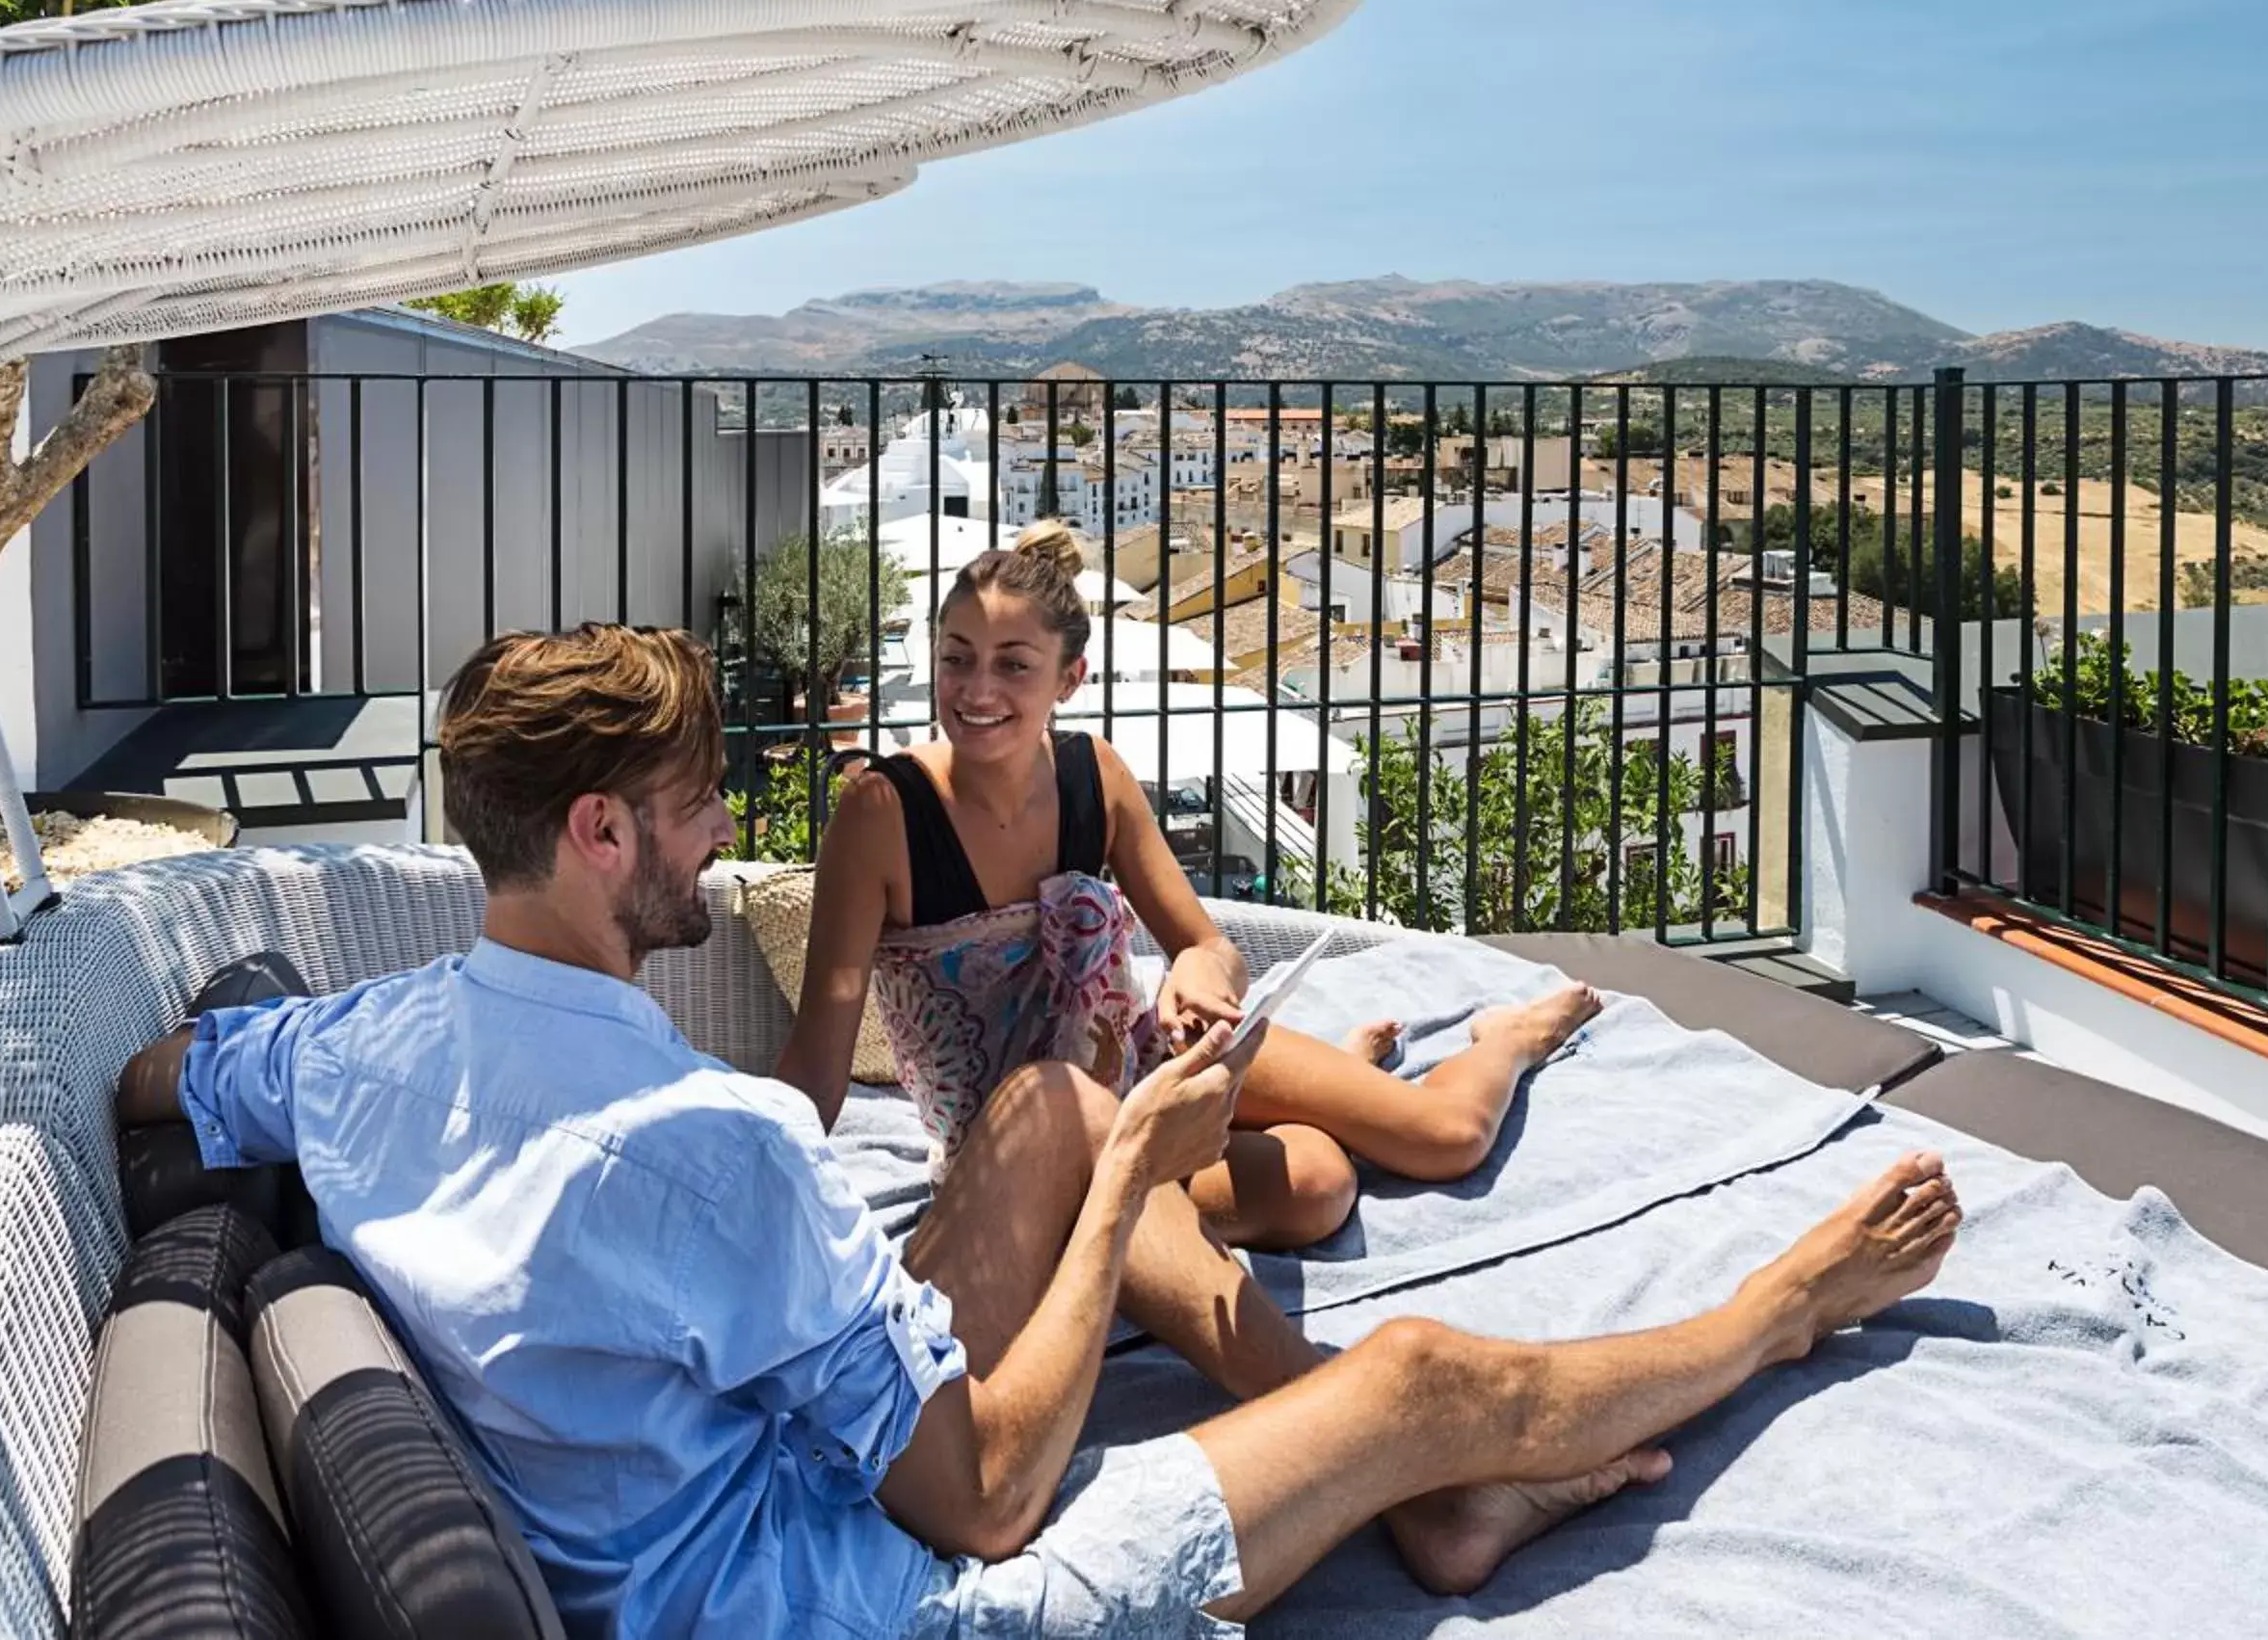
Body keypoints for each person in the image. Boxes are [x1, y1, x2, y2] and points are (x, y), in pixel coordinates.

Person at [117, 622, 1960, 1640]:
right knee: (1408, 1368)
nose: (716, 831)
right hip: (877, 1595)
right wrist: (1144, 1178)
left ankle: (1410, 1448)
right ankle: (1778, 1310)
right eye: (690, 808)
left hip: (719, 1449)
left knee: (1031, 1111)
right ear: (599, 831)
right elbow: (987, 1494)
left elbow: (154, 1073)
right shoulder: (695, 1137)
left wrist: (1094, 1144)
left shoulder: (350, 1052)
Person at [778, 520, 1603, 1249]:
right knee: (1316, 1184)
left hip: (1152, 1061)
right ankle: (1319, 1094)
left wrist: (1195, 979)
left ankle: (1510, 1040)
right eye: (958, 660)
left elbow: (1206, 944)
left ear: (1069, 680)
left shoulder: (1092, 777)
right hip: (1031, 1158)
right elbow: (819, 1065)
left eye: (1013, 665)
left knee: (1449, 1136)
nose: (978, 691)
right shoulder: (881, 814)